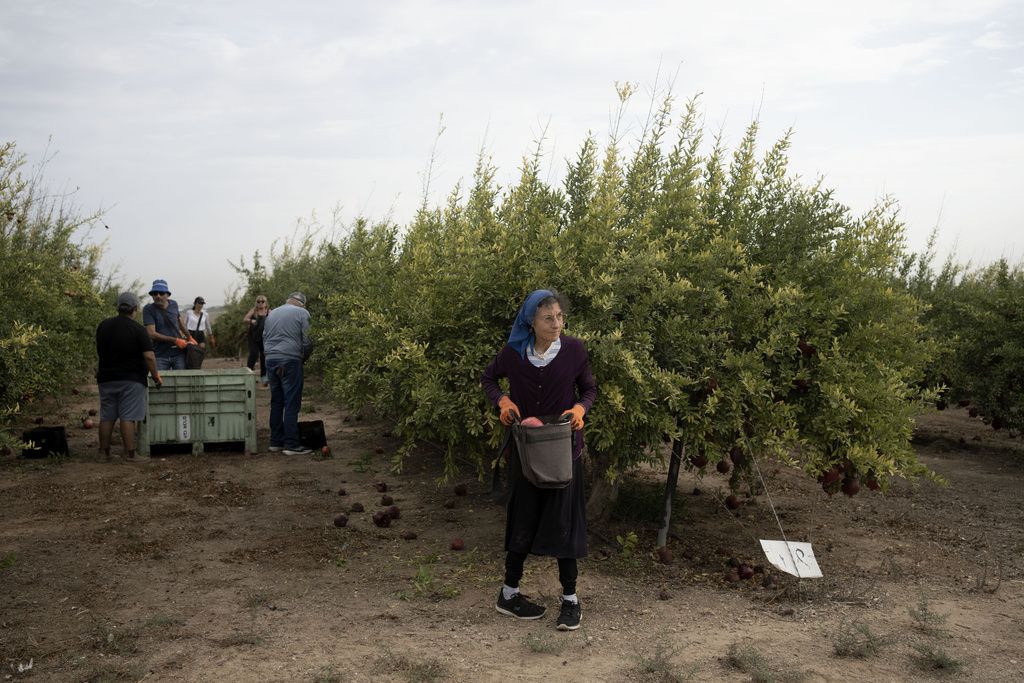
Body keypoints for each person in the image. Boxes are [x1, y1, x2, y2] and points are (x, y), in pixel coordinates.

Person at [481, 289, 596, 632]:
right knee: (525, 516)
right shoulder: (514, 354)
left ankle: (571, 600)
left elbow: (589, 389)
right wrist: (502, 401)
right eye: (548, 318)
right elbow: (488, 379)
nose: (557, 324)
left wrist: (580, 408)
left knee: (564, 518)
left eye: (560, 317)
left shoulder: (574, 350)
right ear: (531, 322)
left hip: (563, 448)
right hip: (528, 449)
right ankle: (509, 593)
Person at [95, 292, 162, 459]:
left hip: (106, 379)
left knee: (107, 416)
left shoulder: (103, 326)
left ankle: (103, 453)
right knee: (128, 417)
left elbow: (100, 351)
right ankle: (130, 455)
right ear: (135, 309)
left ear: (118, 308)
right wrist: (156, 377)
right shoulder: (139, 329)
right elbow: (149, 356)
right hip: (131, 380)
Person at [263, 292, 313, 455]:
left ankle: (275, 442)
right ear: (302, 304)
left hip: (271, 359)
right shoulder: (303, 313)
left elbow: (264, 337)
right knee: (291, 402)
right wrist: (303, 358)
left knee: (277, 401)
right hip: (290, 360)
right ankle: (291, 444)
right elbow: (307, 340)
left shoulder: (272, 313)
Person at [142, 279, 192, 370]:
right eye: (155, 293)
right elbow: (151, 334)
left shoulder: (174, 304)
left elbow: (179, 321)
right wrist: (175, 340)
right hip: (160, 355)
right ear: (152, 296)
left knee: (182, 381)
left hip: (178, 353)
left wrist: (190, 337)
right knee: (162, 383)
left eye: (161, 293)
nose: (158, 296)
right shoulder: (148, 309)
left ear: (167, 295)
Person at [243, 294, 270, 383]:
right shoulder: (254, 311)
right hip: (253, 336)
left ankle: (264, 376)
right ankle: (248, 374)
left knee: (264, 355)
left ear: (266, 303)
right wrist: (251, 320)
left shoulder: (269, 312)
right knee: (253, 354)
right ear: (256, 302)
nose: (260, 303)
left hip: (264, 337)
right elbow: (245, 319)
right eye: (258, 301)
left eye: (262, 301)